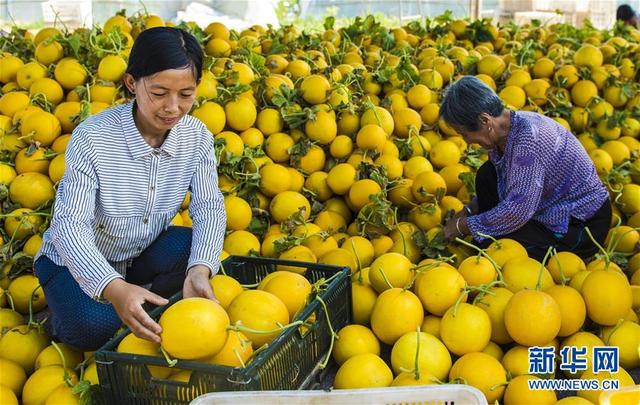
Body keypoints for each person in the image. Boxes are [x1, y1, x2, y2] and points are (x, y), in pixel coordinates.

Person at [34, 27, 227, 351]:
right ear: (131, 83)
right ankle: (59, 319)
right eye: (159, 92)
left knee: (198, 249)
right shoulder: (92, 137)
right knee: (96, 328)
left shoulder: (197, 137)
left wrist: (199, 268)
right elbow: (69, 226)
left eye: (186, 94)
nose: (172, 107)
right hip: (69, 261)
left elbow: (208, 206)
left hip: (137, 254)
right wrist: (113, 287)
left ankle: (135, 297)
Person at [439, 76, 611, 262]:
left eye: (465, 134)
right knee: (487, 175)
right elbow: (505, 180)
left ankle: (574, 254)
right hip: (546, 204)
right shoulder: (509, 127)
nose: (467, 142)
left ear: (485, 121)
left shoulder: (527, 144)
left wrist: (464, 226)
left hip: (581, 224)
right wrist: (468, 211)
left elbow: (516, 212)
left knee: (503, 245)